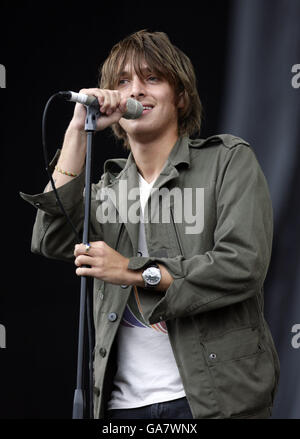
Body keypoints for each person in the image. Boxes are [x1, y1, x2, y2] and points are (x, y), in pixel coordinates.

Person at [21, 29, 280, 419]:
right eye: (123, 82)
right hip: (120, 407)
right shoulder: (106, 190)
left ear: (181, 97)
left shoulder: (227, 161)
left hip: (213, 403)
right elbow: (51, 237)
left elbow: (243, 263)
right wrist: (77, 130)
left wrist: (133, 271)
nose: (136, 90)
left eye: (152, 78)